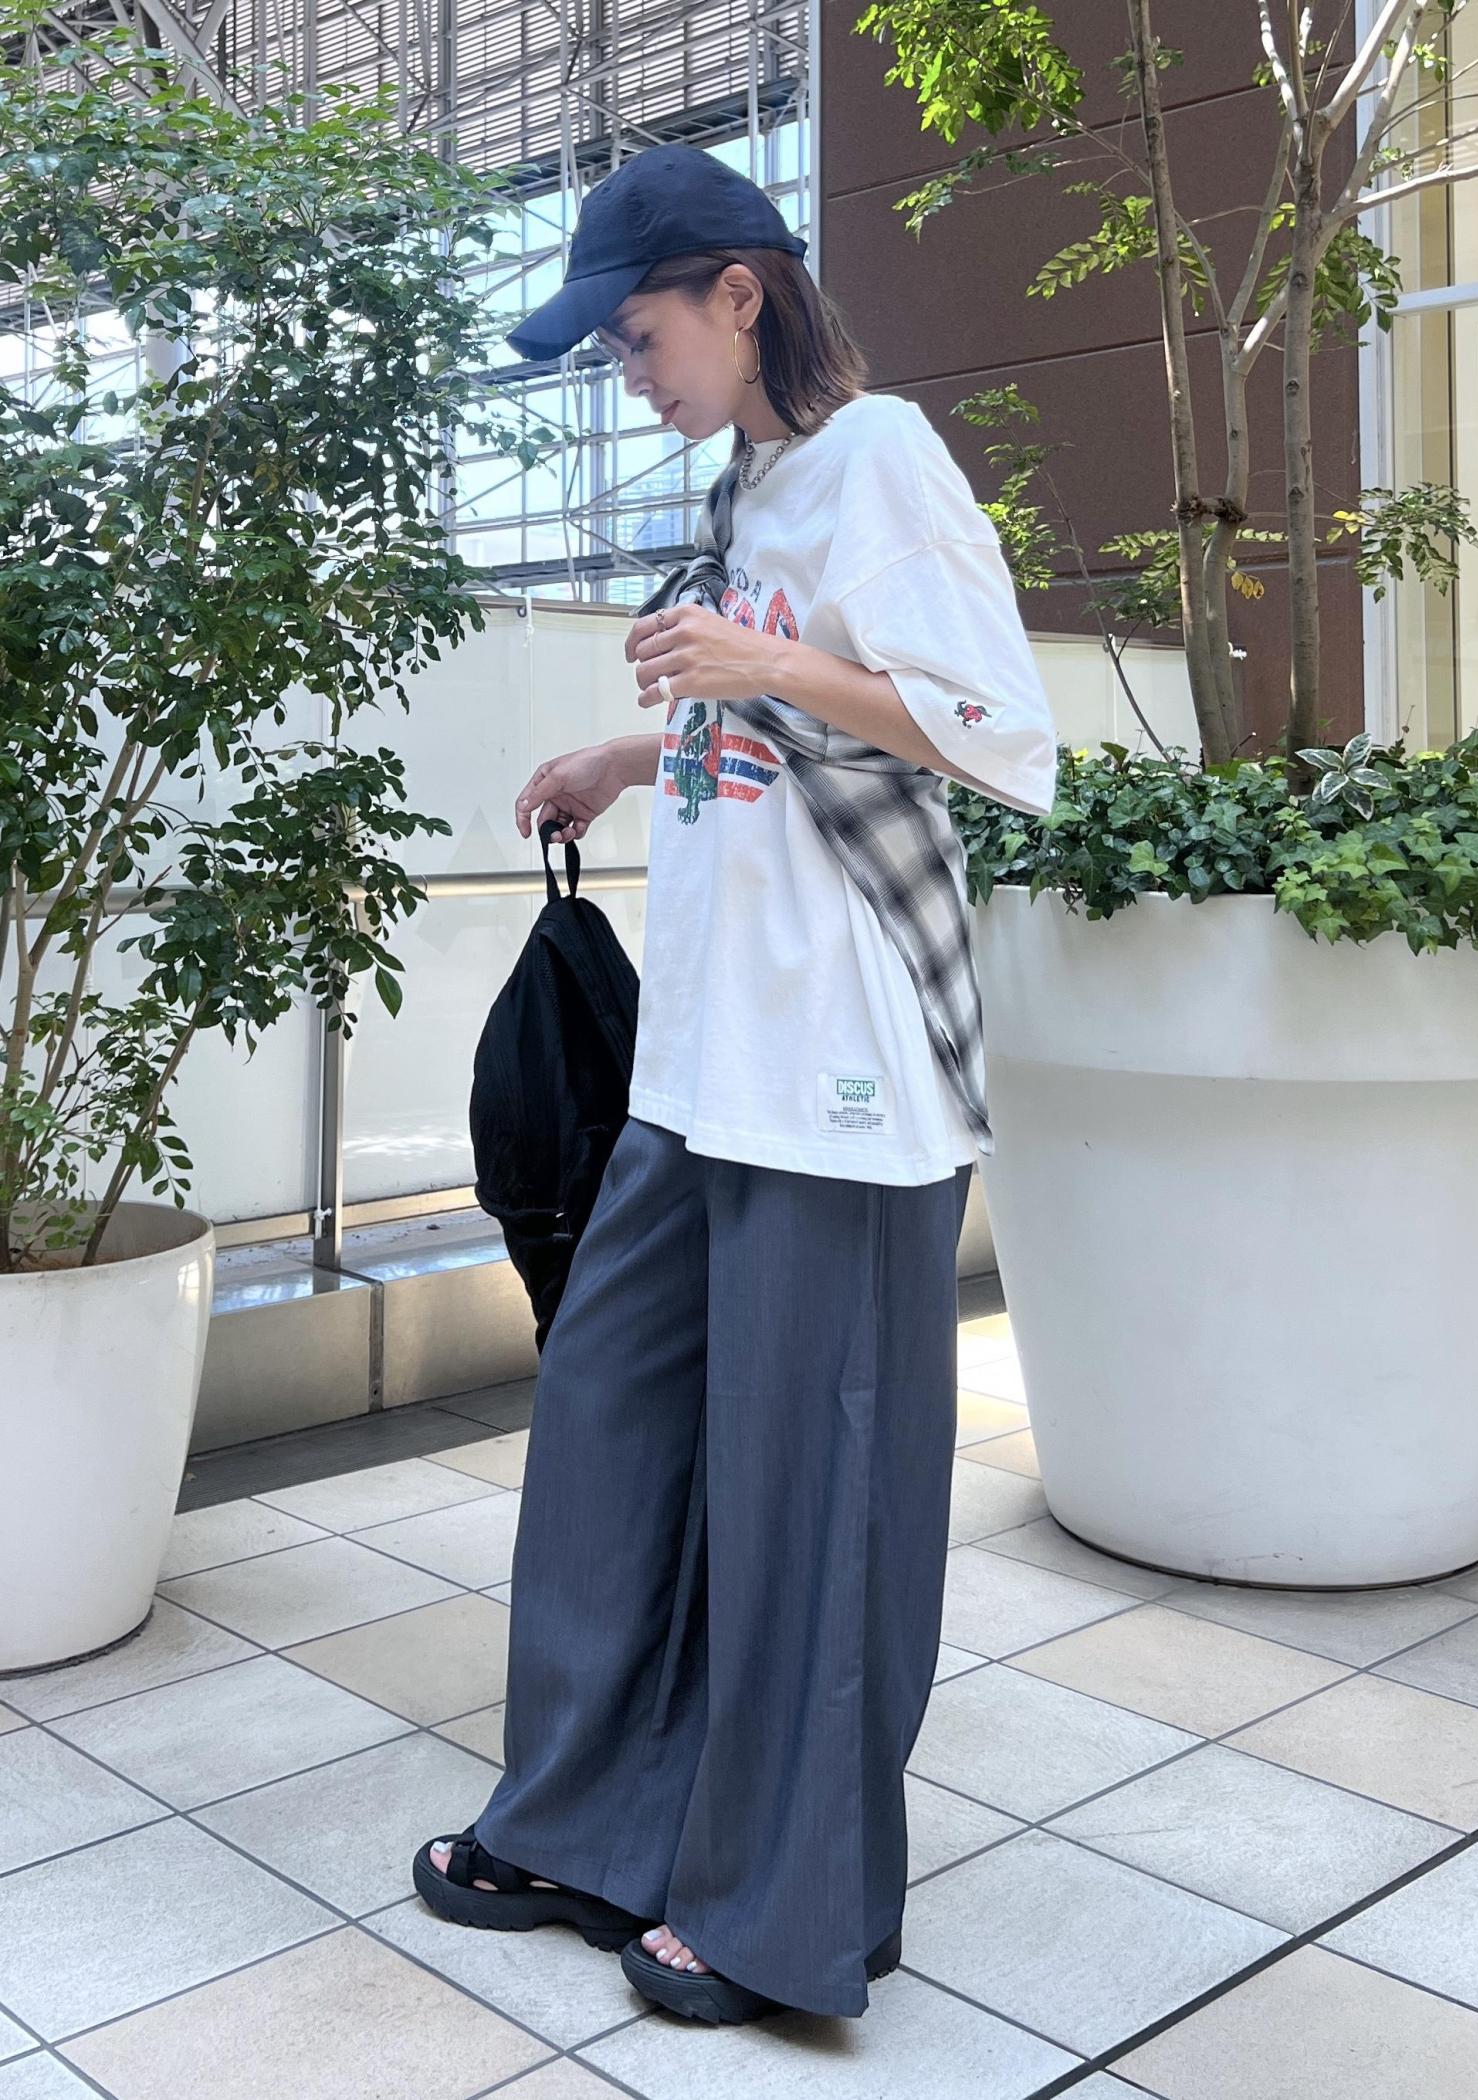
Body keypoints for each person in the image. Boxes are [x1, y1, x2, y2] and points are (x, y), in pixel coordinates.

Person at [412, 141, 1057, 2026]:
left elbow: (1000, 737)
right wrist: (630, 751)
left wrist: (741, 662)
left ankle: (785, 1911)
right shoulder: (755, 485)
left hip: (837, 1068)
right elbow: (777, 713)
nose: (631, 376)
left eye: (639, 336)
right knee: (612, 1431)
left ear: (740, 292)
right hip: (703, 1064)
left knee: (809, 1492)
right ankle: (589, 1823)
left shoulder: (882, 458)